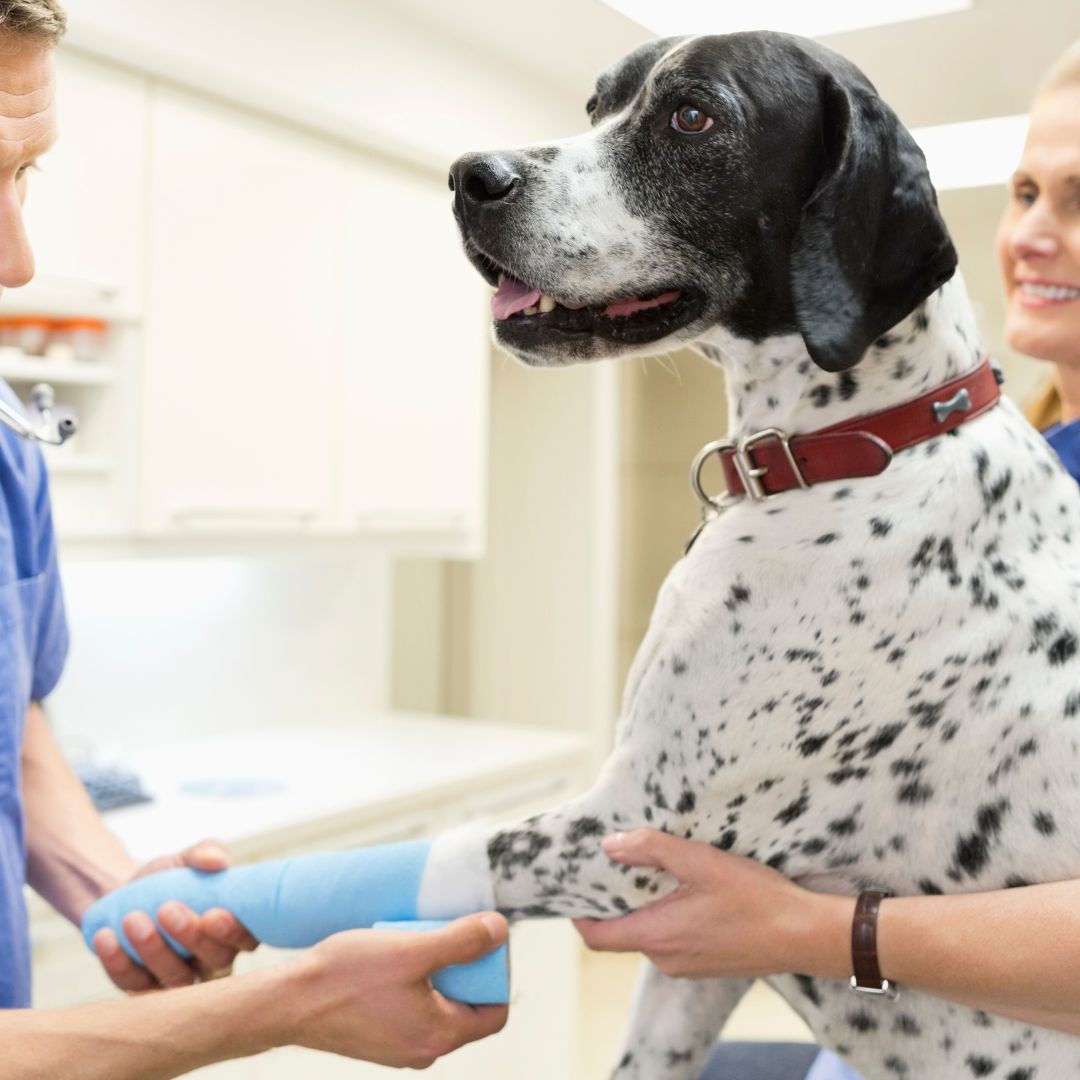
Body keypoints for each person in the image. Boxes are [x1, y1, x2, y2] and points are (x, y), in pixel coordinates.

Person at [0, 2, 508, 1075]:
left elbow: (16, 733)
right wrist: (281, 1007)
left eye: (24, 178)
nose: (17, 261)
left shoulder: (8, 454)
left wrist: (125, 905)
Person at [576, 34, 1080, 1080]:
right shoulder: (965, 478)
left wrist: (805, 930)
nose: (1031, 233)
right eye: (1026, 189)